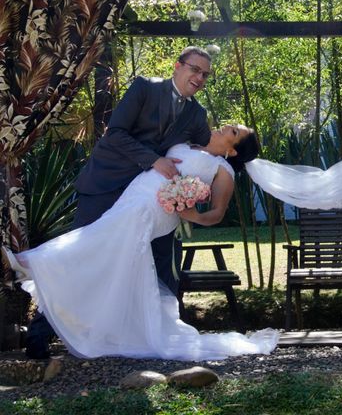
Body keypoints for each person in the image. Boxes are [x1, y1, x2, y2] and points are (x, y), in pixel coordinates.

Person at [2, 125, 280, 361]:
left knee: (98, 237)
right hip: (137, 194)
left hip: (155, 210)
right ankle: (46, 276)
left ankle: (31, 263)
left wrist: (191, 213)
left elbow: (217, 213)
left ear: (232, 150)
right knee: (106, 251)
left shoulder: (223, 171)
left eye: (232, 132)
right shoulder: (191, 141)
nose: (225, 127)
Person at [24, 46, 214, 359]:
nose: (199, 78)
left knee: (162, 263)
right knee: (81, 257)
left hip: (151, 202)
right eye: (195, 69)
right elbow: (115, 134)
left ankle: (165, 337)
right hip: (106, 185)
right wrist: (153, 160)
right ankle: (40, 332)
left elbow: (210, 146)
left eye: (205, 75)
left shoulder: (197, 114)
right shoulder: (144, 88)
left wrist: (232, 159)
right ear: (178, 66)